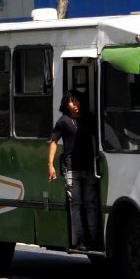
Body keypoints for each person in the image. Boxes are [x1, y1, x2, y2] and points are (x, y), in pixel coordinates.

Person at [48, 90, 101, 251]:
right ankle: (81, 239)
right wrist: (50, 165)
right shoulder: (63, 121)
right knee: (76, 204)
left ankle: (94, 238)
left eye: (77, 101)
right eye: (71, 102)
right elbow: (53, 141)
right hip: (71, 169)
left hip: (90, 168)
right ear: (65, 104)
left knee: (91, 204)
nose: (75, 105)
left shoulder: (89, 118)